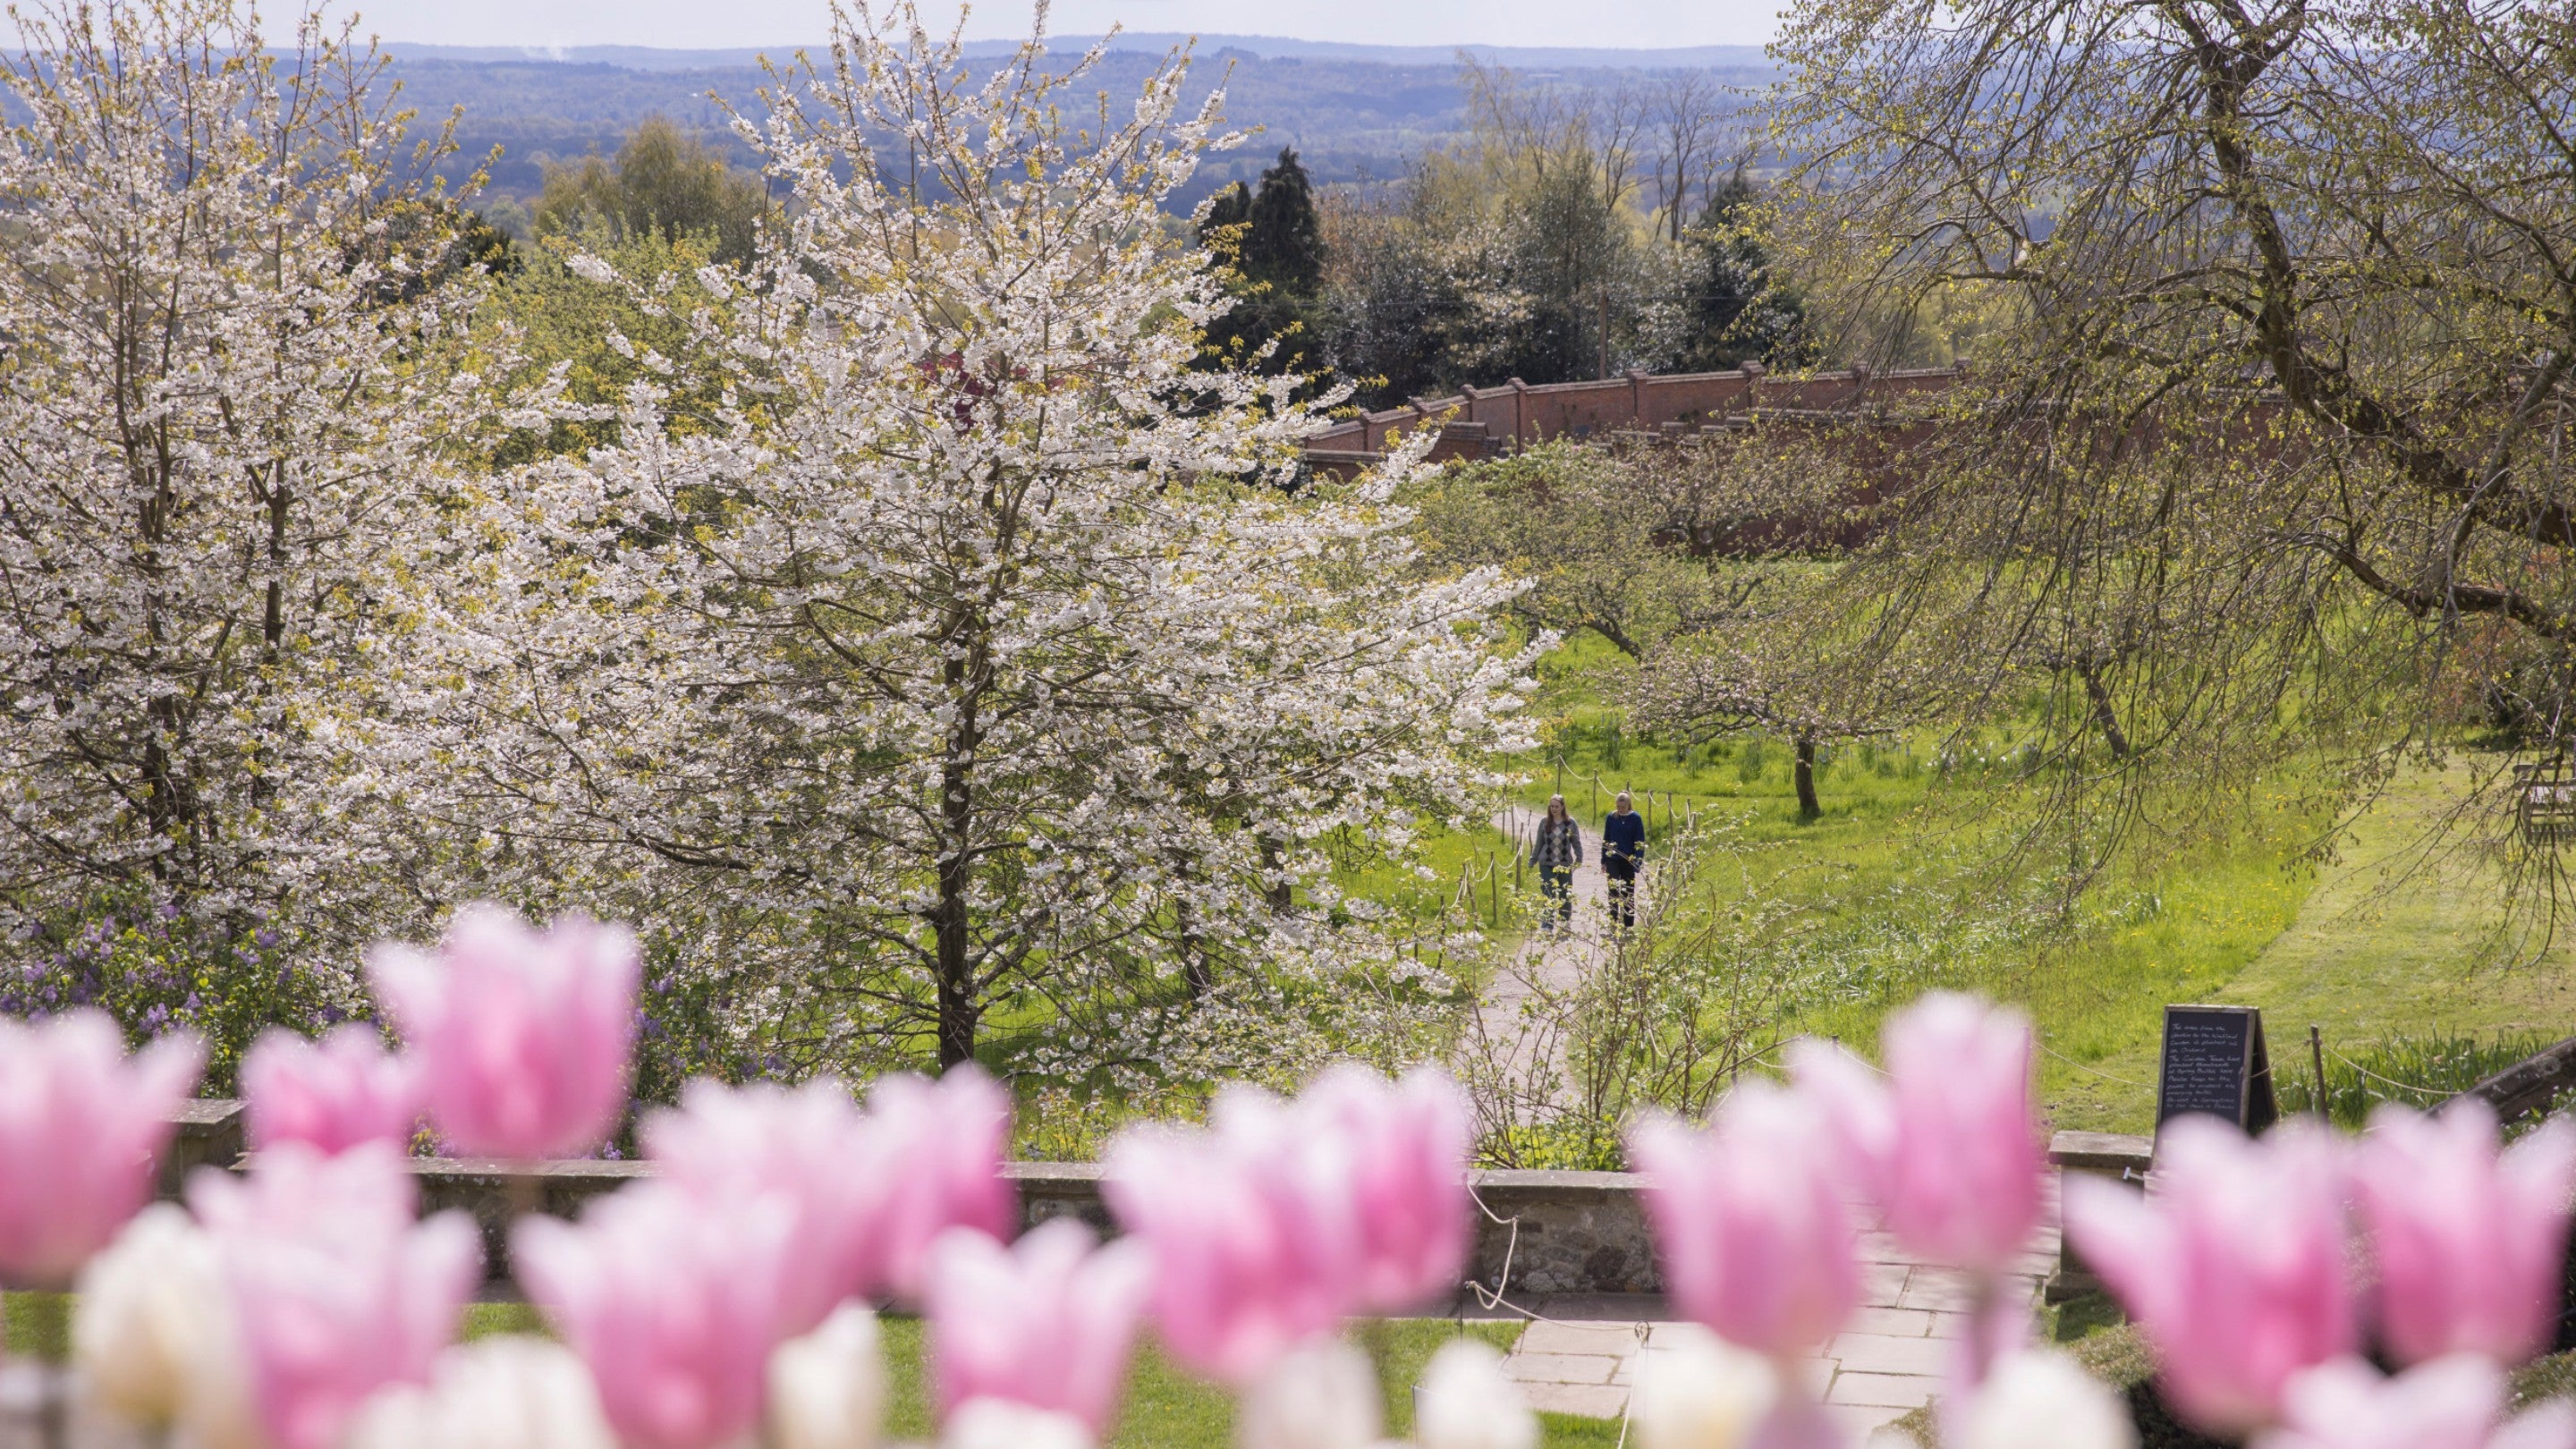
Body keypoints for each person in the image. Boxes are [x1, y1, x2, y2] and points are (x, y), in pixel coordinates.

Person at [1529, 795, 1582, 931]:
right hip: (1546, 863)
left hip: (1564, 864)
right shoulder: (1545, 822)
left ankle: (1565, 921)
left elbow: (1576, 842)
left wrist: (1579, 857)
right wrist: (1533, 859)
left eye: (1557, 806)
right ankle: (1547, 924)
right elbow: (1539, 843)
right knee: (1548, 892)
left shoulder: (1570, 823)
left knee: (1565, 893)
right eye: (1552, 806)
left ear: (1563, 807)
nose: (1554, 809)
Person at [1602, 791, 1646, 930]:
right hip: (1612, 859)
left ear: (1628, 805)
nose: (1620, 809)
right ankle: (1613, 921)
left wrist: (1637, 861)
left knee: (1628, 891)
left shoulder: (1635, 819)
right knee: (1613, 890)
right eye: (1618, 807)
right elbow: (1606, 838)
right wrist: (1603, 859)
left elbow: (1640, 841)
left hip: (1628, 860)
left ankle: (1628, 924)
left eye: (1623, 807)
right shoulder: (1611, 817)